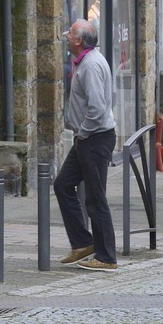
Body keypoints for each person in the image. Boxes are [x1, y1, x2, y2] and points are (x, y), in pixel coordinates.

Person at [54, 18, 118, 271]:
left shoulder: (91, 65)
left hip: (94, 138)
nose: (65, 36)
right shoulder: (87, 60)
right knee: (63, 184)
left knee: (95, 198)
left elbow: (98, 108)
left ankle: (106, 257)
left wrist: (83, 133)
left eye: (69, 33)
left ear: (79, 41)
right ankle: (82, 243)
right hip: (89, 137)